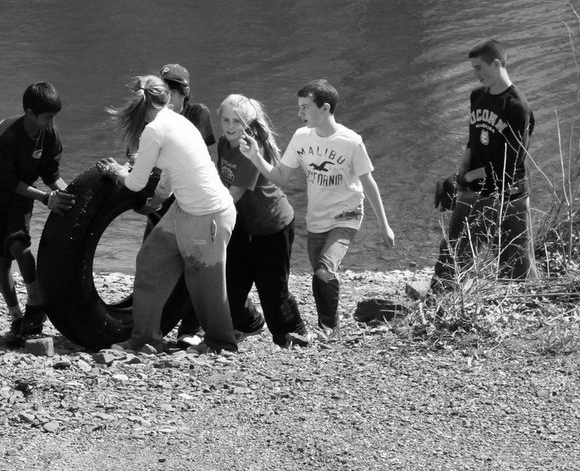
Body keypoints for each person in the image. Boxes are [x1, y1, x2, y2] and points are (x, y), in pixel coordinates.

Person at [240, 78, 395, 335]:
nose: (299, 113)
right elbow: (280, 177)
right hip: (316, 220)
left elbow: (369, 184)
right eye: (299, 107)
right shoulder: (301, 137)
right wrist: (255, 157)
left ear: (324, 109)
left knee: (324, 271)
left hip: (347, 215)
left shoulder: (351, 142)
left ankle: (326, 328)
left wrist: (384, 225)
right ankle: (332, 330)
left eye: (305, 107)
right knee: (319, 275)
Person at [108, 77, 237, 355]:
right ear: (166, 97)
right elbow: (168, 177)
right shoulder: (178, 120)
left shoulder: (154, 130)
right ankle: (144, 339)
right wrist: (155, 204)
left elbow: (134, 183)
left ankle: (222, 344)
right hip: (185, 209)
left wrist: (116, 171)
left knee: (205, 287)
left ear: (138, 102)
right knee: (151, 261)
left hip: (209, 216)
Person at [0, 82, 75, 349]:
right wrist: (45, 199)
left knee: (19, 244)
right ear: (30, 113)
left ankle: (35, 303)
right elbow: (7, 181)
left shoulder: (49, 134)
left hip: (21, 193)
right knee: (0, 256)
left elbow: (51, 175)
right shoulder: (2, 137)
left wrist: (71, 199)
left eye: (54, 117)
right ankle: (16, 315)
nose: (52, 122)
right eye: (48, 117)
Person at [432, 39, 536, 288]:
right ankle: (443, 300)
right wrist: (458, 172)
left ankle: (527, 308)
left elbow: (508, 166)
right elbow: (473, 140)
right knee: (454, 251)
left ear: (497, 63)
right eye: (473, 69)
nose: (475, 74)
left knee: (517, 265)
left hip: (510, 196)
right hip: (474, 190)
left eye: (479, 68)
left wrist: (466, 179)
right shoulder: (478, 96)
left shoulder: (517, 108)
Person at [215, 94, 308, 348]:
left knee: (273, 291)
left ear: (248, 123)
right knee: (231, 283)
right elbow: (220, 180)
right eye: (226, 120)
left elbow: (232, 195)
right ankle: (249, 322)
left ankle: (294, 334)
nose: (230, 126)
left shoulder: (250, 149)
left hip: (273, 226)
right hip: (245, 226)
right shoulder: (224, 142)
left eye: (237, 121)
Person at [160, 63, 217, 162]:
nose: (165, 98)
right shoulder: (151, 114)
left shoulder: (198, 112)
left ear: (185, 92)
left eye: (171, 93)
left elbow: (192, 151)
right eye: (161, 92)